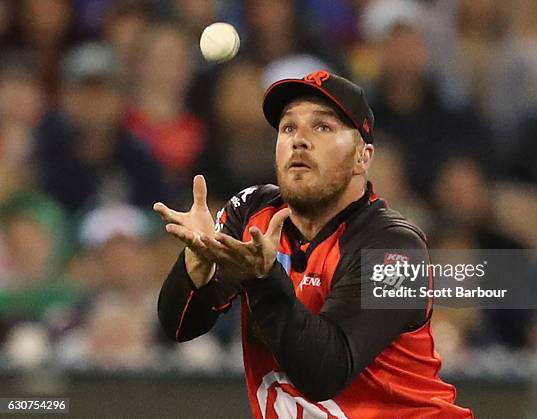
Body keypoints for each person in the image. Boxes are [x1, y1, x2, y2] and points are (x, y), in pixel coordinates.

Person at [156, 71, 472, 418]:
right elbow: (180, 326)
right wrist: (197, 265)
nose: (299, 140)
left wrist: (265, 279)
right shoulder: (252, 213)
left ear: (362, 157)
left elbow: (325, 373)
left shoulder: (395, 249)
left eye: (322, 127)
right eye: (288, 128)